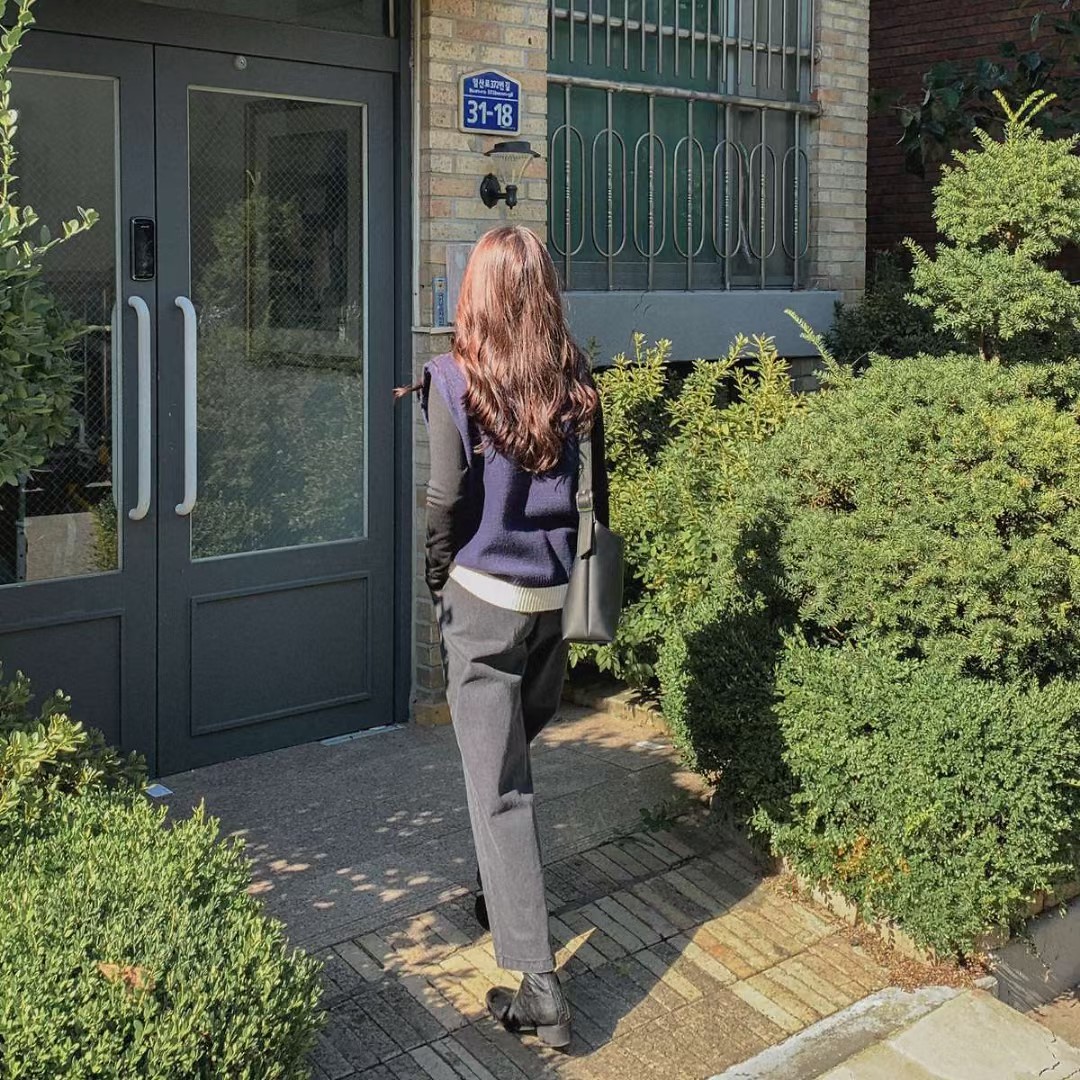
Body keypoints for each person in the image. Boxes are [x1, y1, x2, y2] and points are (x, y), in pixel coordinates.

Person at [401, 225, 609, 1049]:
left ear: (476, 295)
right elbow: (599, 496)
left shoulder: (455, 378)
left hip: (483, 604)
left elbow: (445, 502)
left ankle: (541, 989)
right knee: (509, 760)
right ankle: (501, 888)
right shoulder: (575, 377)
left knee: (500, 788)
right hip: (554, 603)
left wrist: (437, 582)